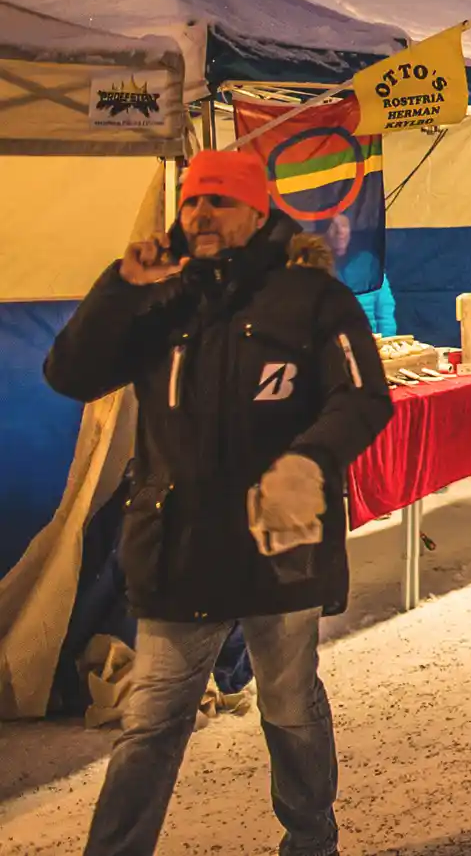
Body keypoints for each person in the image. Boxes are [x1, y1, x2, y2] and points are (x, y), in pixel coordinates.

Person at [45, 149, 392, 856]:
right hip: (182, 550)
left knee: (289, 706)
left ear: (257, 211)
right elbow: (70, 373)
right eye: (191, 202)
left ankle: (310, 840)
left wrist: (309, 460)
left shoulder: (314, 298)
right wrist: (121, 283)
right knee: (151, 726)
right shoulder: (163, 299)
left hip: (278, 543)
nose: (199, 214)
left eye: (218, 201)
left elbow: (363, 396)